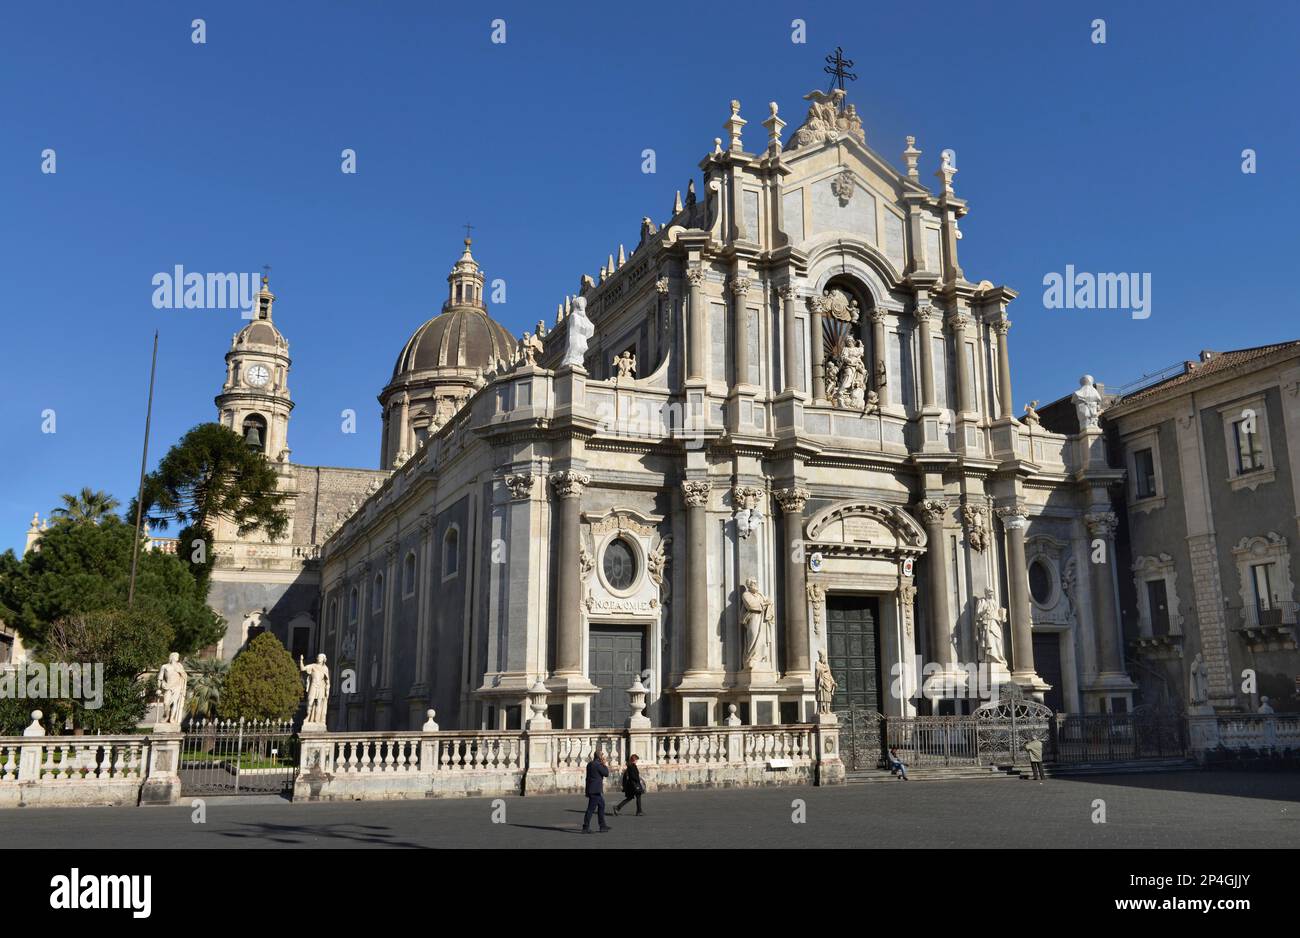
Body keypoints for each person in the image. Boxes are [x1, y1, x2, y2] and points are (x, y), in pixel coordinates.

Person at [582, 750, 611, 833]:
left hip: (591, 788)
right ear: (599, 756)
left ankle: (602, 826)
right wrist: (604, 764)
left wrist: (587, 791)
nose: (604, 756)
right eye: (602, 755)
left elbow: (587, 778)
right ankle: (585, 827)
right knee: (590, 809)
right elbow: (606, 773)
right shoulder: (598, 765)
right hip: (596, 790)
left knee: (601, 805)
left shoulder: (590, 764)